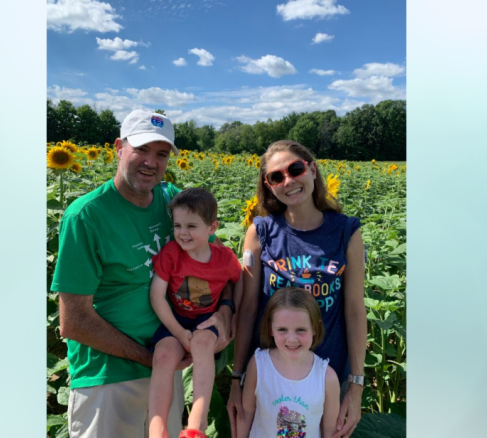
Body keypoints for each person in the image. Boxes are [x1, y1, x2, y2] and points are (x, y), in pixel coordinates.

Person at [50, 110, 235, 438]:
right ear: (118, 148)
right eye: (141, 149)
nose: (151, 162)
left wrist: (224, 311)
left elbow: (218, 262)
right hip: (109, 378)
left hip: (167, 366)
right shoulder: (86, 217)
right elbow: (74, 321)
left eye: (161, 154)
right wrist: (152, 357)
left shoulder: (171, 202)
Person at [228, 140, 368, 438]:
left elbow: (355, 310)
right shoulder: (261, 231)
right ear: (268, 185)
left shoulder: (346, 232)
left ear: (312, 170)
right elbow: (248, 308)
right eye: (277, 177)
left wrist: (356, 386)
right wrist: (237, 377)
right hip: (267, 377)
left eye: (295, 169)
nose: (288, 181)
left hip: (329, 375)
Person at [148, 188, 243, 438]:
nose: (182, 233)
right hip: (175, 319)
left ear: (212, 228)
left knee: (202, 344)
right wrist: (179, 333)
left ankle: (196, 426)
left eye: (191, 225)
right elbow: (157, 296)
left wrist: (233, 313)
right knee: (164, 355)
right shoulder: (171, 253)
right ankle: (157, 428)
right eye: (177, 225)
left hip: (206, 319)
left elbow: (239, 279)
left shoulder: (224, 258)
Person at [237, 287, 340, 438]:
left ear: (315, 328)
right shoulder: (259, 365)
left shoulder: (327, 377)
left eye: (300, 330)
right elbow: (246, 413)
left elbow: (330, 431)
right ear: (270, 328)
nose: (291, 339)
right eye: (282, 329)